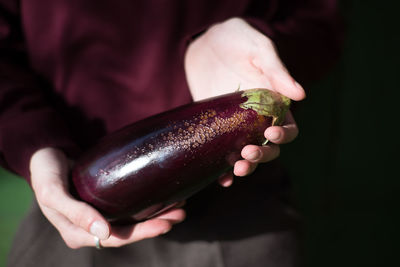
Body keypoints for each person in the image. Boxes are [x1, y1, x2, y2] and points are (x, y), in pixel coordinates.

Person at [0, 0, 342, 266]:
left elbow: (318, 22)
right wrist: (33, 143)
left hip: (239, 214)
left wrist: (264, 48)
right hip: (69, 198)